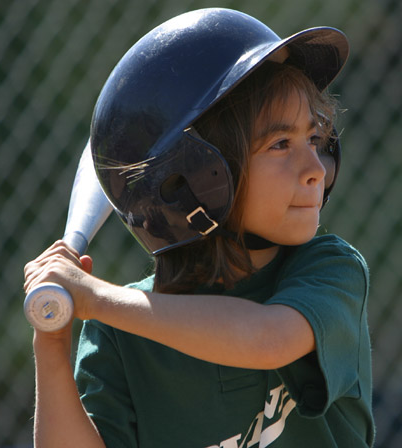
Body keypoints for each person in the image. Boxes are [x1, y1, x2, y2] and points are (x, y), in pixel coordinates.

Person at [23, 8, 374, 448]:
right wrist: (51, 340)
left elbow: (267, 338)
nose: (314, 169)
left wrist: (93, 297)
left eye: (315, 140)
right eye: (281, 144)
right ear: (190, 179)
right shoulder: (118, 332)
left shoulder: (330, 269)